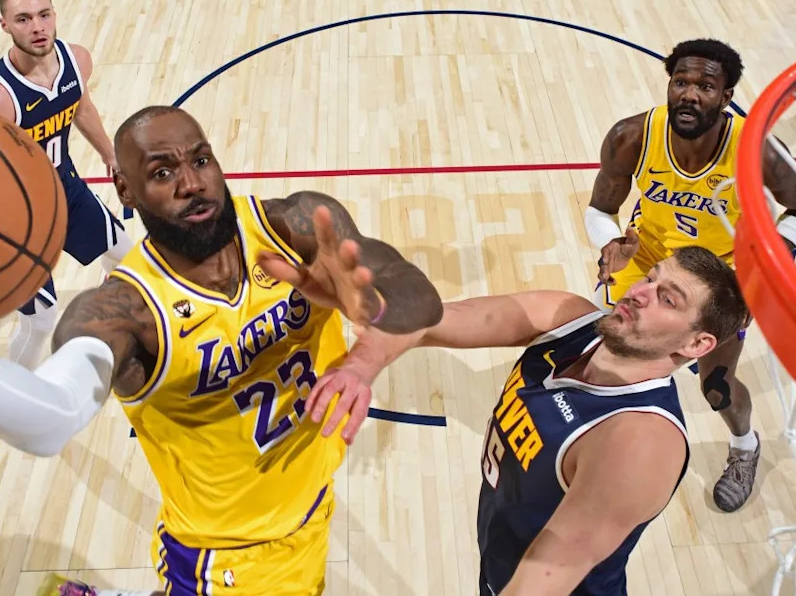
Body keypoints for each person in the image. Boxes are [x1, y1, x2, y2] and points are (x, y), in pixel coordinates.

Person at [0, 106, 443, 596]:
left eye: (201, 160)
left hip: (308, 506)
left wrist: (372, 307)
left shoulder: (292, 228)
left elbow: (419, 295)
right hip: (226, 557)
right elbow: (53, 417)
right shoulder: (122, 312)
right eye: (162, 173)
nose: (192, 184)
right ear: (124, 189)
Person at [297, 246, 750, 595]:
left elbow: (546, 576)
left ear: (696, 346)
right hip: (502, 558)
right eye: (650, 278)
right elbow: (433, 320)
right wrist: (364, 339)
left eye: (666, 299)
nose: (638, 292)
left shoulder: (639, 442)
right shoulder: (567, 319)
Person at [583, 38, 796, 512]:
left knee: (715, 389)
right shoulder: (630, 136)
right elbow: (599, 208)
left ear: (726, 96)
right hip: (649, 258)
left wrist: (775, 249)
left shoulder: (755, 150)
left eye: (706, 86)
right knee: (609, 352)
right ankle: (602, 443)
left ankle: (745, 448)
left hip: (722, 276)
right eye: (682, 82)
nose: (690, 94)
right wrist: (610, 240)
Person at [0, 0, 133, 369]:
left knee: (129, 262)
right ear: (5, 25)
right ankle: (17, 390)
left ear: (55, 15)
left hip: (68, 192)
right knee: (41, 321)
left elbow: (82, 109)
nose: (37, 27)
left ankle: (107, 321)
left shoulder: (76, 60)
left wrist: (113, 157)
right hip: (21, 221)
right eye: (23, 19)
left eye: (44, 15)